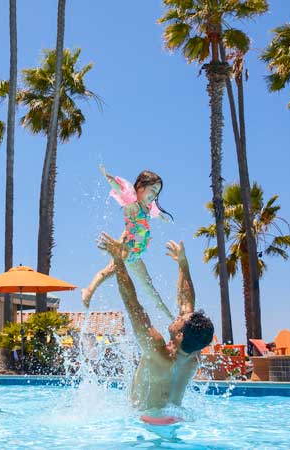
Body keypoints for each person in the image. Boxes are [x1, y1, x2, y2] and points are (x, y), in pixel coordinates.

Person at [97, 233, 214, 418]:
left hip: (145, 423)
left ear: (180, 335)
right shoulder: (194, 353)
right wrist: (183, 264)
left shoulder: (158, 351)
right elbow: (187, 303)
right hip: (174, 420)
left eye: (180, 319)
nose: (178, 317)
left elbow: (132, 304)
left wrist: (118, 259)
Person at [82, 166, 172, 322]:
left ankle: (169, 316)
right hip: (126, 248)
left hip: (136, 254)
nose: (154, 195)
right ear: (140, 187)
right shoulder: (132, 205)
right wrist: (108, 177)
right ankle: (88, 290)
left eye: (156, 193)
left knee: (149, 287)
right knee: (107, 272)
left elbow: (155, 213)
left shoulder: (148, 208)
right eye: (152, 191)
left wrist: (162, 217)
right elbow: (120, 189)